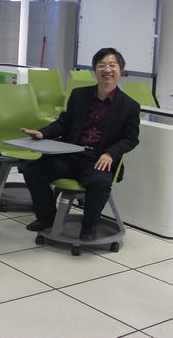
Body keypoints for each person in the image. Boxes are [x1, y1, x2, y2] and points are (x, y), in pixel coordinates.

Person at [20, 48, 140, 241]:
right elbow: (64, 123)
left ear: (120, 70)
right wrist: (43, 133)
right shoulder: (79, 95)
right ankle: (47, 218)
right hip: (69, 155)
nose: (107, 70)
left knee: (99, 183)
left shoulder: (130, 106)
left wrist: (110, 153)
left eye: (112, 65)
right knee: (32, 170)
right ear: (95, 69)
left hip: (97, 160)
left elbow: (131, 138)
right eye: (101, 65)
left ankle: (89, 227)